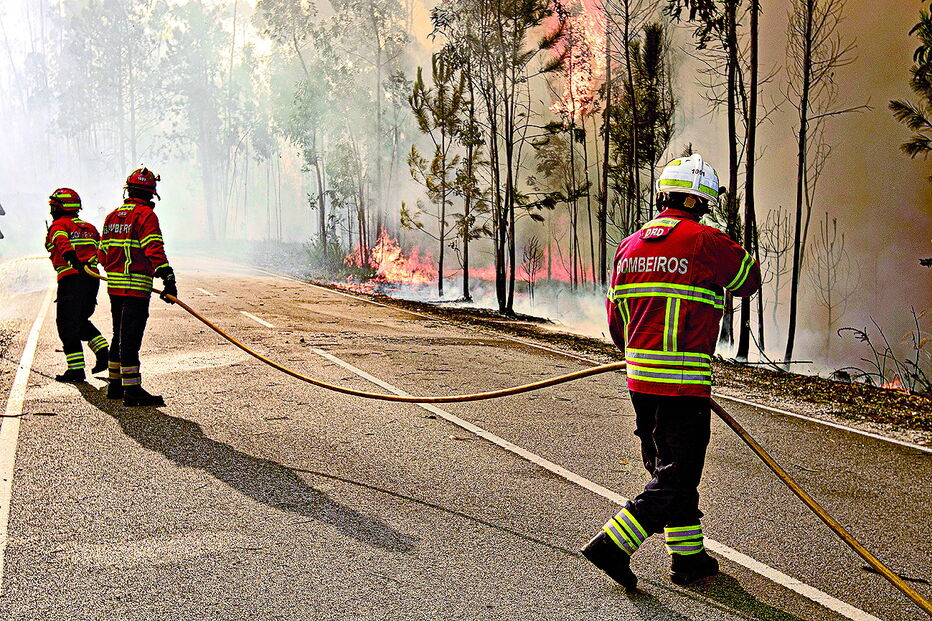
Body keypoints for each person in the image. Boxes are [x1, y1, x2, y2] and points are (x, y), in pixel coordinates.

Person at [582, 153, 762, 589]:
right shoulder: (706, 242)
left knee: (667, 469)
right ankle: (612, 544)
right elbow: (748, 280)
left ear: (664, 194)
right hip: (683, 384)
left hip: (640, 379)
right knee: (678, 474)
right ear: (701, 201)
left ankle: (689, 558)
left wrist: (636, 355)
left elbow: (615, 317)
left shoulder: (629, 245)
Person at [99, 167, 177, 407]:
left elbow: (103, 254)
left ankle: (115, 384)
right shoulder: (146, 216)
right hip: (136, 286)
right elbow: (153, 248)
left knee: (118, 334)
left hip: (115, 287)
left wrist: (115, 269)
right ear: (151, 193)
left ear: (128, 190)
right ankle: (132, 389)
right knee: (130, 338)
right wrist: (168, 277)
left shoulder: (112, 217)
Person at [44, 188, 109, 382]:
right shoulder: (89, 228)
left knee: (65, 324)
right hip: (91, 281)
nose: (51, 210)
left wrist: (72, 260)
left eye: (53, 206)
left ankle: (76, 370)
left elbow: (62, 244)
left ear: (60, 208)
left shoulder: (58, 226)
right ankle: (103, 351)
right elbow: (102, 250)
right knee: (79, 320)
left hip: (70, 280)